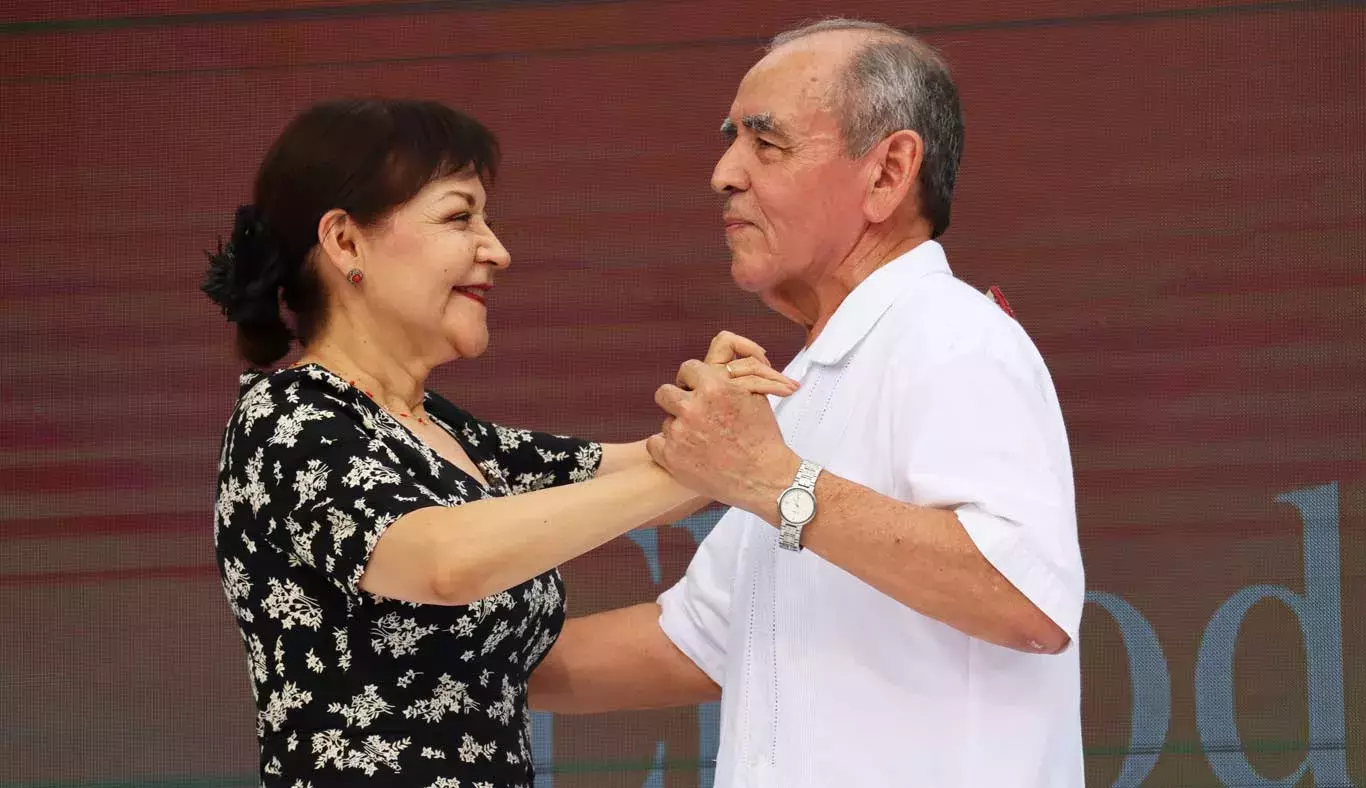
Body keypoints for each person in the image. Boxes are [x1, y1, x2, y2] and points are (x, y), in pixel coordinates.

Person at [529, 19, 1086, 787]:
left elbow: (1029, 598)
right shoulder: (809, 384)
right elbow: (694, 639)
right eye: (731, 141)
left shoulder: (952, 333)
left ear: (889, 172)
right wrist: (420, 665)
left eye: (767, 144)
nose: (723, 173)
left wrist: (771, 481)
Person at [203, 98, 796, 787]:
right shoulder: (286, 420)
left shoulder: (445, 432)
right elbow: (444, 560)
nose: (497, 250)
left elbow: (652, 476)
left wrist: (727, 408)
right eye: (460, 217)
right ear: (345, 242)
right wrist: (708, 459)